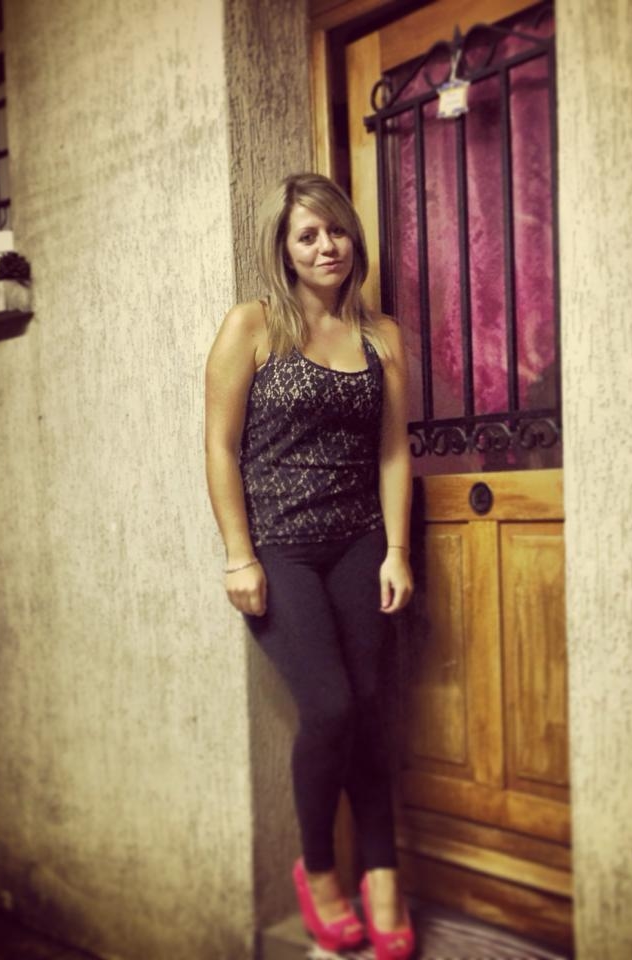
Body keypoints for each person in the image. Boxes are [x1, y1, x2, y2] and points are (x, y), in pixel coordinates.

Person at [204, 172, 416, 960]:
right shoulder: (254, 325)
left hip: (360, 542)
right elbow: (219, 446)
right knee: (329, 707)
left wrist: (397, 550)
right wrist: (238, 556)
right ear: (285, 250)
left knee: (366, 707)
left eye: (336, 230)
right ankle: (320, 871)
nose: (327, 246)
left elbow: (392, 451)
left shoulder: (381, 335)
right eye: (308, 235)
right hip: (280, 551)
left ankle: (384, 878)